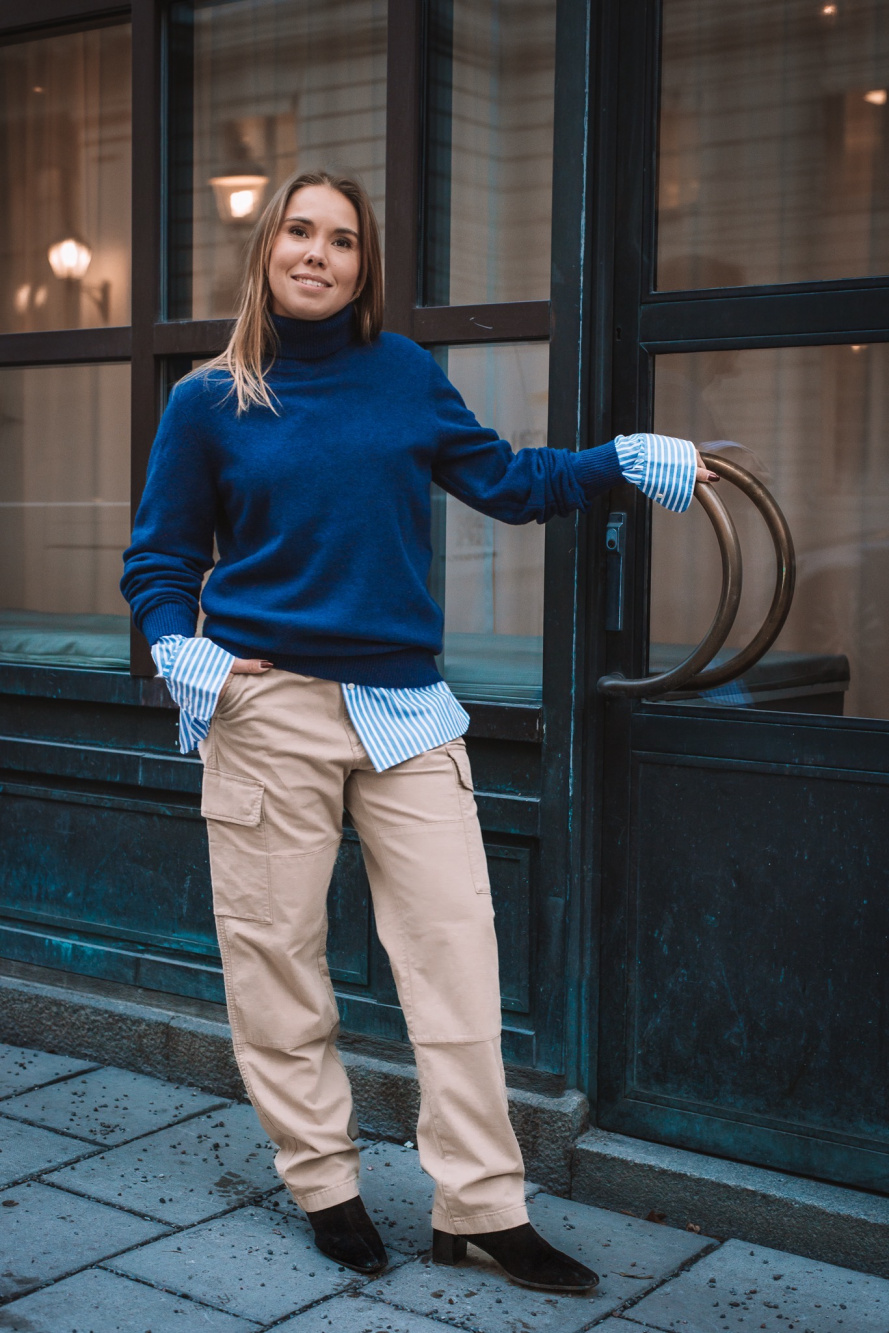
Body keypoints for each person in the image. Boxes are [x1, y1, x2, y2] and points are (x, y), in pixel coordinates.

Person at [121, 169, 716, 1293]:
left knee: (456, 957)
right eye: (298, 232)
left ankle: (479, 1206)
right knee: (277, 963)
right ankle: (324, 1182)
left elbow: (507, 481)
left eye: (341, 240)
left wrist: (622, 460)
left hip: (403, 713)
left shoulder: (403, 375)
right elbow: (159, 560)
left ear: (363, 266)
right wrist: (177, 644)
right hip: (268, 708)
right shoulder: (211, 399)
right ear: (265, 251)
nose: (318, 254)